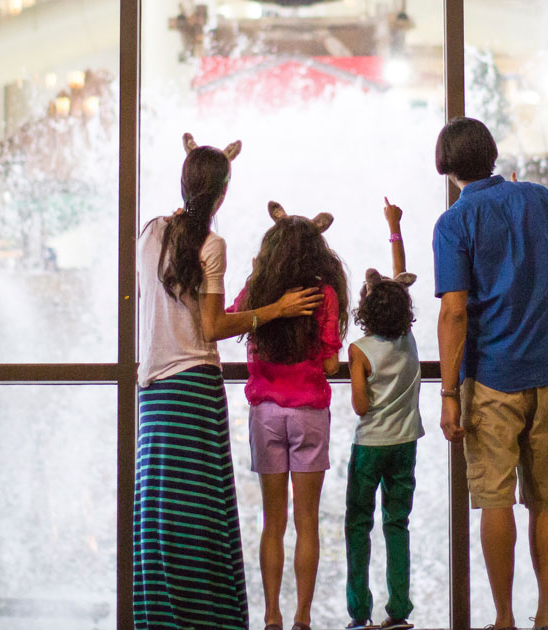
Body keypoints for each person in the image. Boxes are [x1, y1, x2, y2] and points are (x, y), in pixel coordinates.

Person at [133, 134, 323, 630]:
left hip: (152, 392)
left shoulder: (150, 233)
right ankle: (210, 618)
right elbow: (215, 326)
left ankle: (161, 616)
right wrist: (277, 309)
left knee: (160, 509)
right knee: (201, 511)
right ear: (221, 196)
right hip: (194, 387)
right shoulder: (210, 245)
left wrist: (203, 162)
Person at [431, 117, 548, 630]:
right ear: (493, 155)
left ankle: (502, 619)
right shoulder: (538, 198)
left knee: (495, 498)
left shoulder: (454, 222)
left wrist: (449, 392)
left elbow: (454, 311)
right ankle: (546, 614)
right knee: (546, 499)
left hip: (492, 376)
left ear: (448, 166)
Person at [231, 201, 349, 630]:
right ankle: (302, 618)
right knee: (307, 524)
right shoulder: (326, 295)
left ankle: (271, 617)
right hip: (309, 415)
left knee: (272, 522)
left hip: (264, 414)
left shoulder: (258, 290)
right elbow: (333, 366)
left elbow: (229, 321)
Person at [342, 198, 424, 630]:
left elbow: (359, 404)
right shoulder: (407, 339)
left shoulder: (360, 350)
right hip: (405, 444)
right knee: (397, 525)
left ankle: (360, 615)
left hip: (370, 447)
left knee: (358, 526)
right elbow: (399, 279)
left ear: (365, 313)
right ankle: (398, 613)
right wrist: (395, 227)